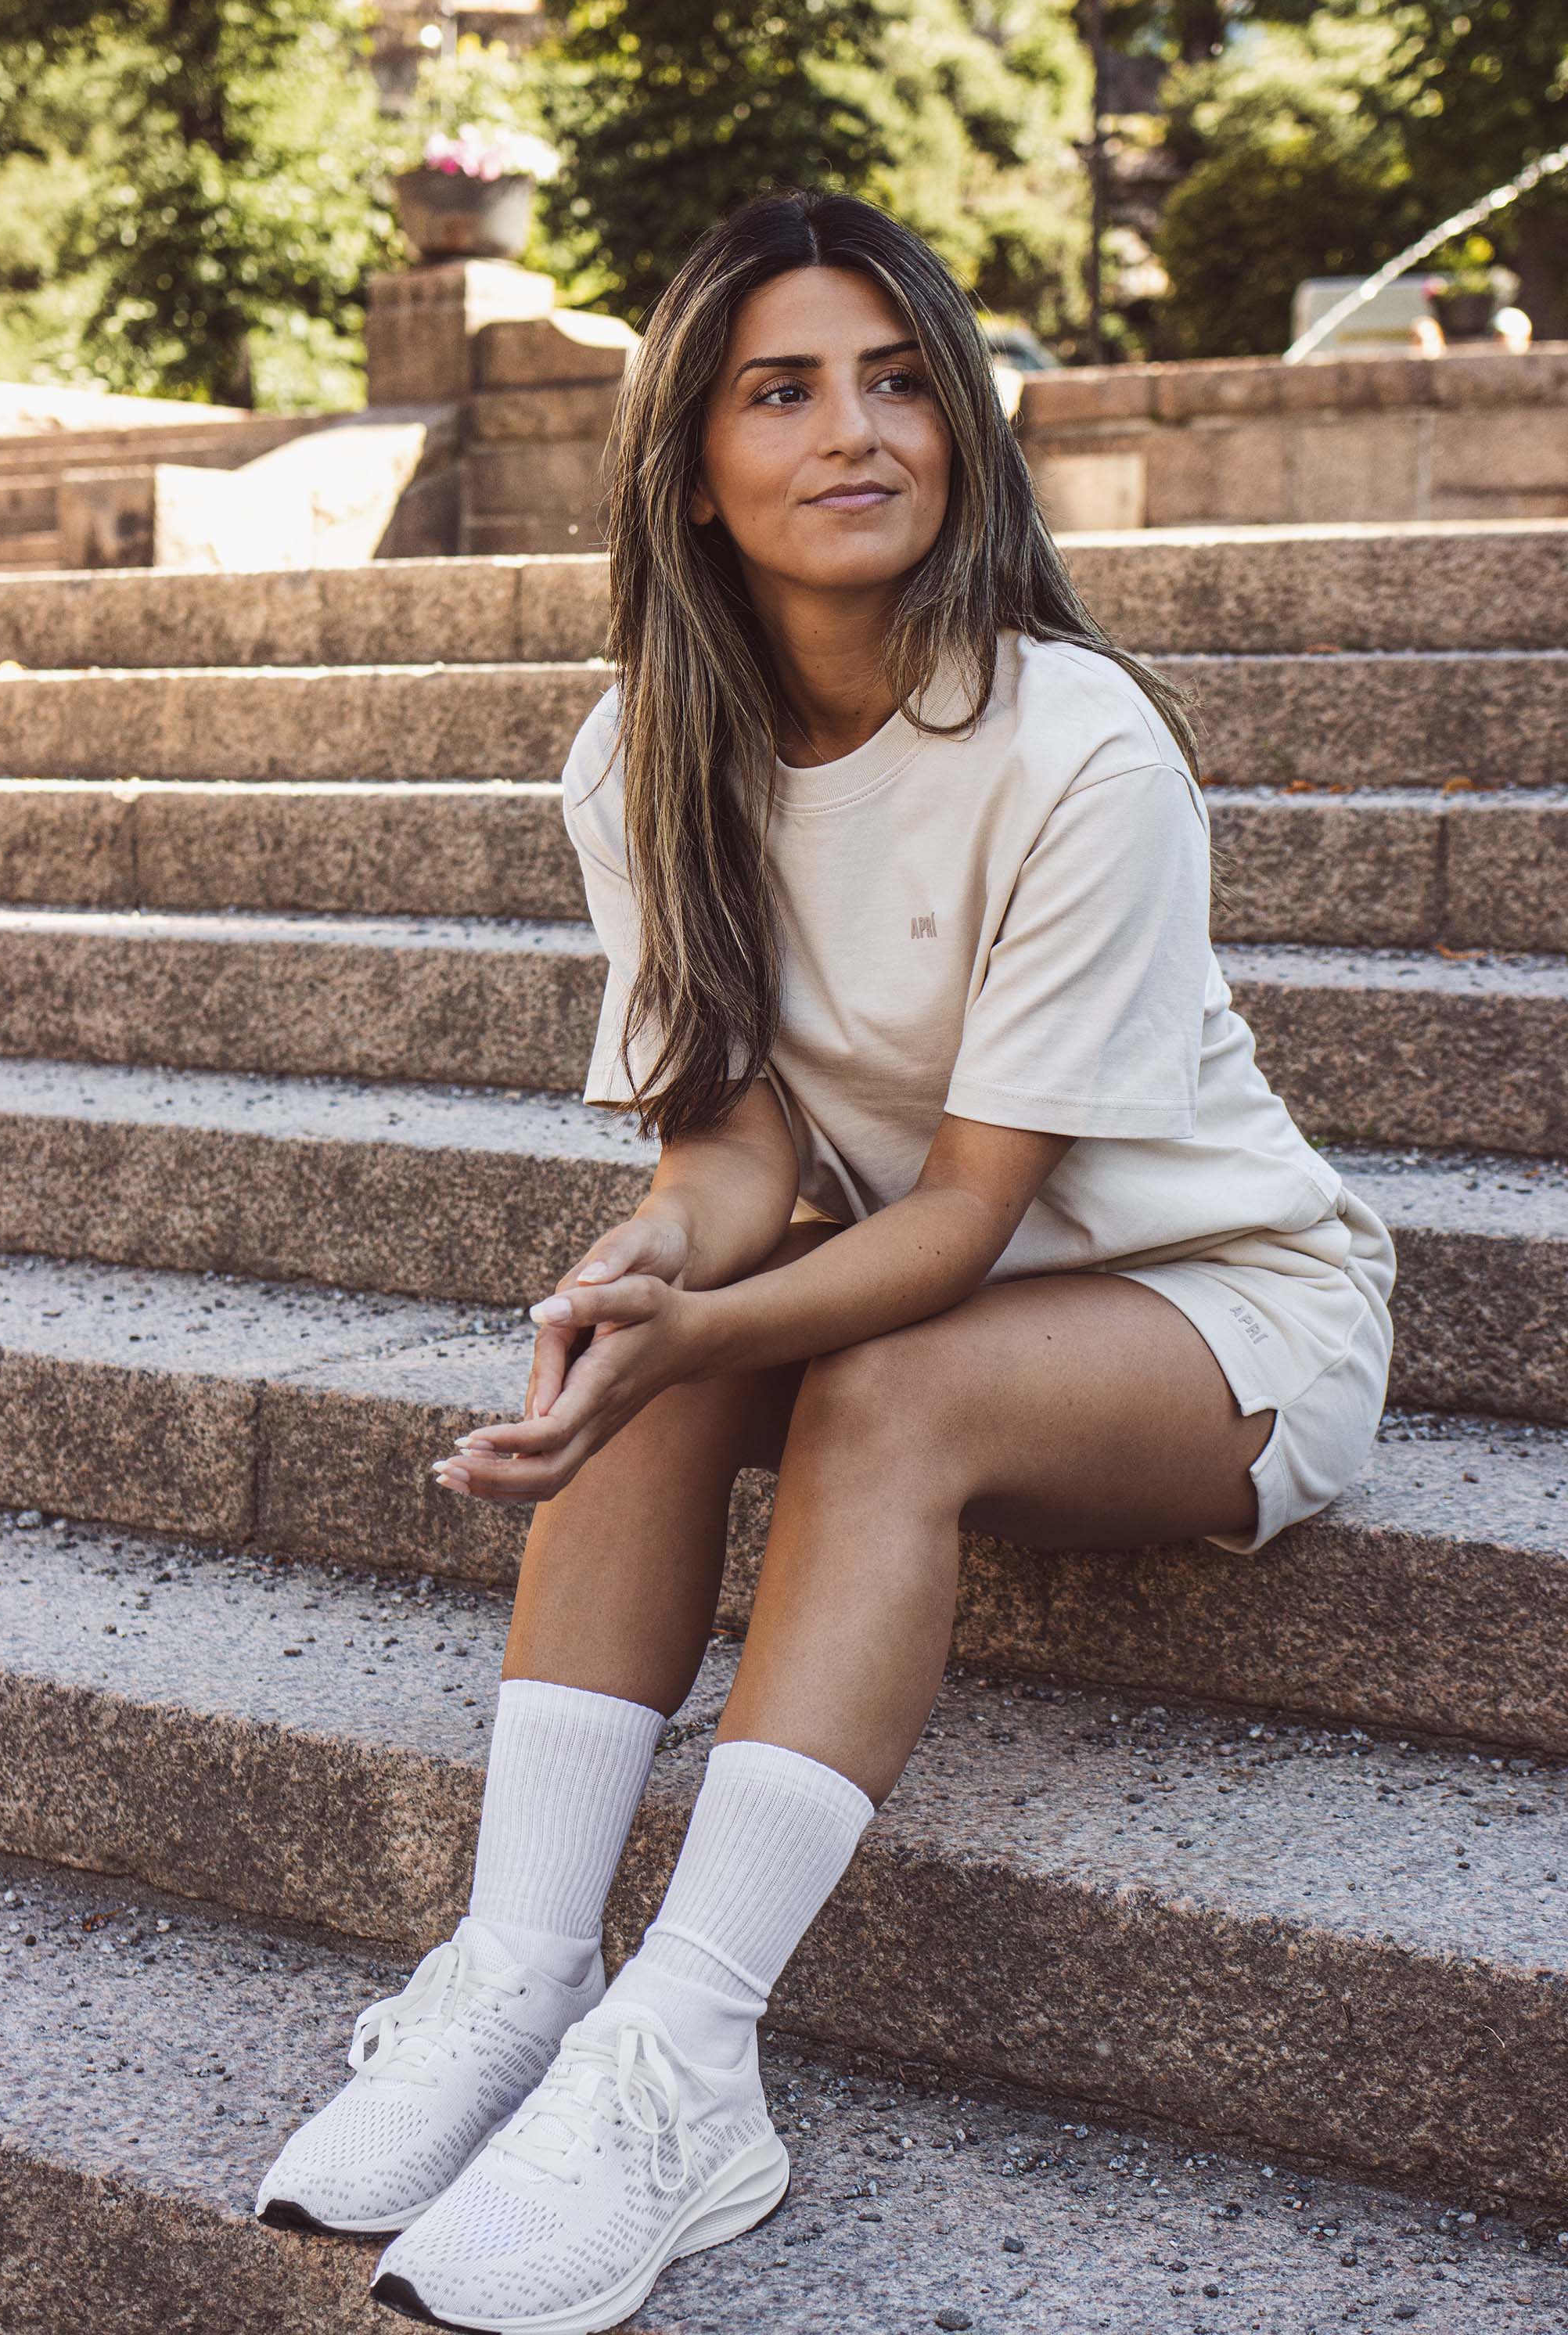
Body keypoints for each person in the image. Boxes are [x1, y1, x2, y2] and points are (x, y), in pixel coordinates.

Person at [255, 187, 1396, 2333]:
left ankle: (682, 2066)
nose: (853, 432)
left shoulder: (1076, 741)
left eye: (896, 382)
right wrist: (638, 1280)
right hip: (953, 1289)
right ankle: (517, 1977)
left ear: (963, 422)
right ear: (693, 466)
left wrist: (707, 1314)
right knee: (653, 1340)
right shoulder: (645, 752)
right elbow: (734, 1147)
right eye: (780, 391)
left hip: (1223, 1310)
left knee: (873, 1378)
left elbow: (962, 1217)